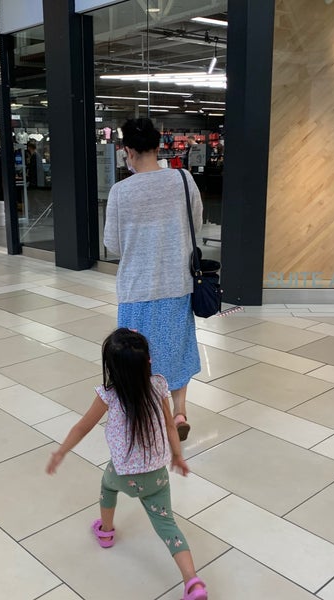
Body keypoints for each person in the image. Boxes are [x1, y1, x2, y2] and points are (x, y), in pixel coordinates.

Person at [46, 328, 208, 600]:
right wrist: (178, 456)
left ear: (112, 368)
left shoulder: (108, 395)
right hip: (156, 474)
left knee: (107, 488)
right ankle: (193, 582)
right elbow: (170, 426)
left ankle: (106, 531)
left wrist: (61, 452)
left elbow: (83, 426)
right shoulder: (158, 386)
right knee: (167, 525)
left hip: (122, 474)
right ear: (148, 362)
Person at [104, 118, 203, 441]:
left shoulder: (121, 191)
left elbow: (112, 244)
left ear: (128, 151)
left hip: (137, 288)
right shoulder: (183, 179)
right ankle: (179, 412)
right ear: (158, 147)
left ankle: (149, 417)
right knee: (177, 348)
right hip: (176, 284)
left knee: (138, 356)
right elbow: (196, 225)